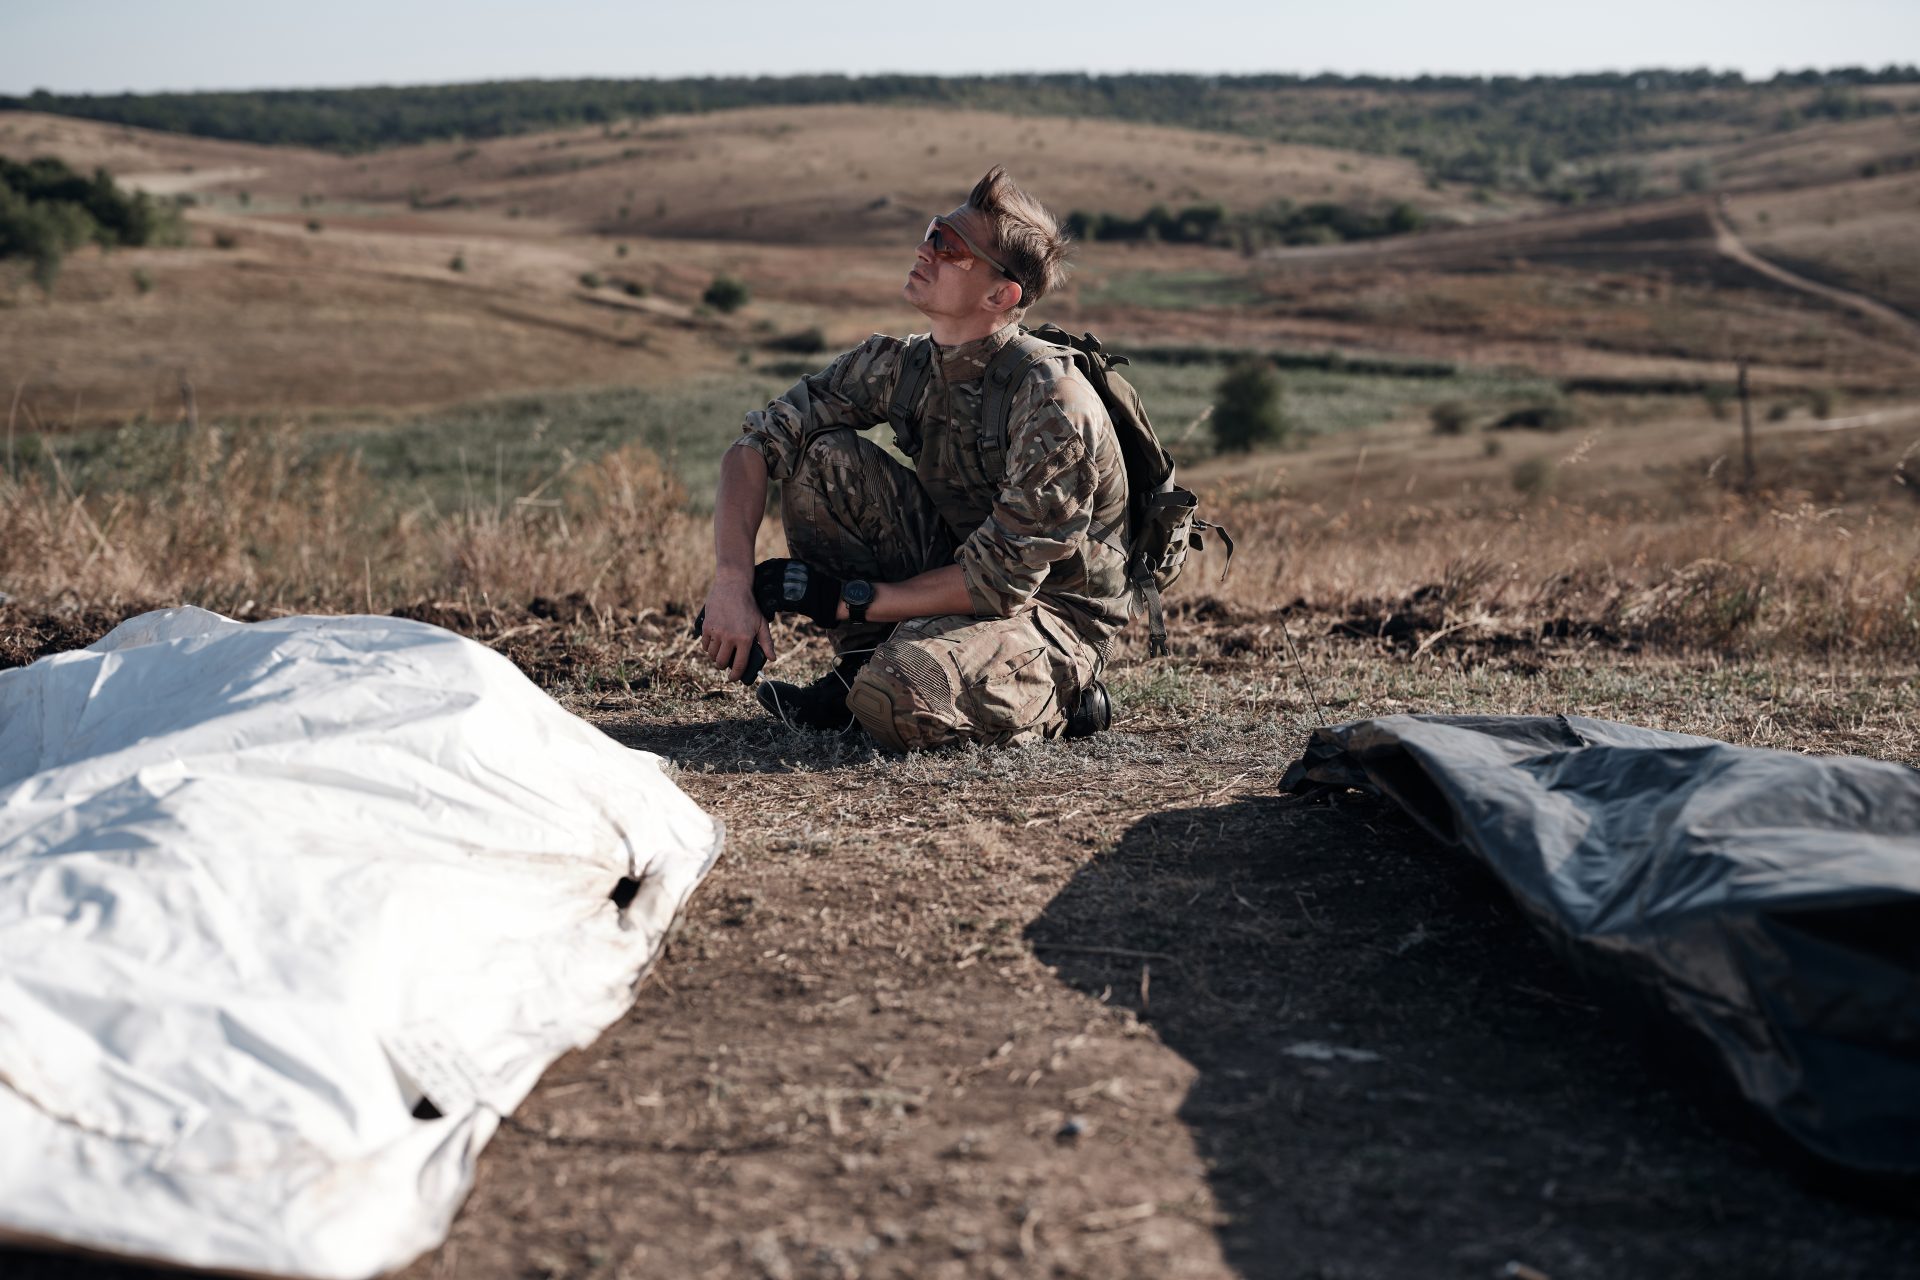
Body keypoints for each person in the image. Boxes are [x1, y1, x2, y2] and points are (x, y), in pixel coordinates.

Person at [696, 166, 1129, 752]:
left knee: (902, 695)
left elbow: (1000, 580)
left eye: (950, 247)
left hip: (1046, 612)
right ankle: (863, 665)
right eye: (932, 233)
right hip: (952, 571)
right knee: (817, 457)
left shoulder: (1053, 401)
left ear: (1002, 296)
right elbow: (754, 446)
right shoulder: (902, 366)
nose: (925, 250)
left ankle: (1063, 696)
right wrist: (732, 581)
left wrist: (845, 600)